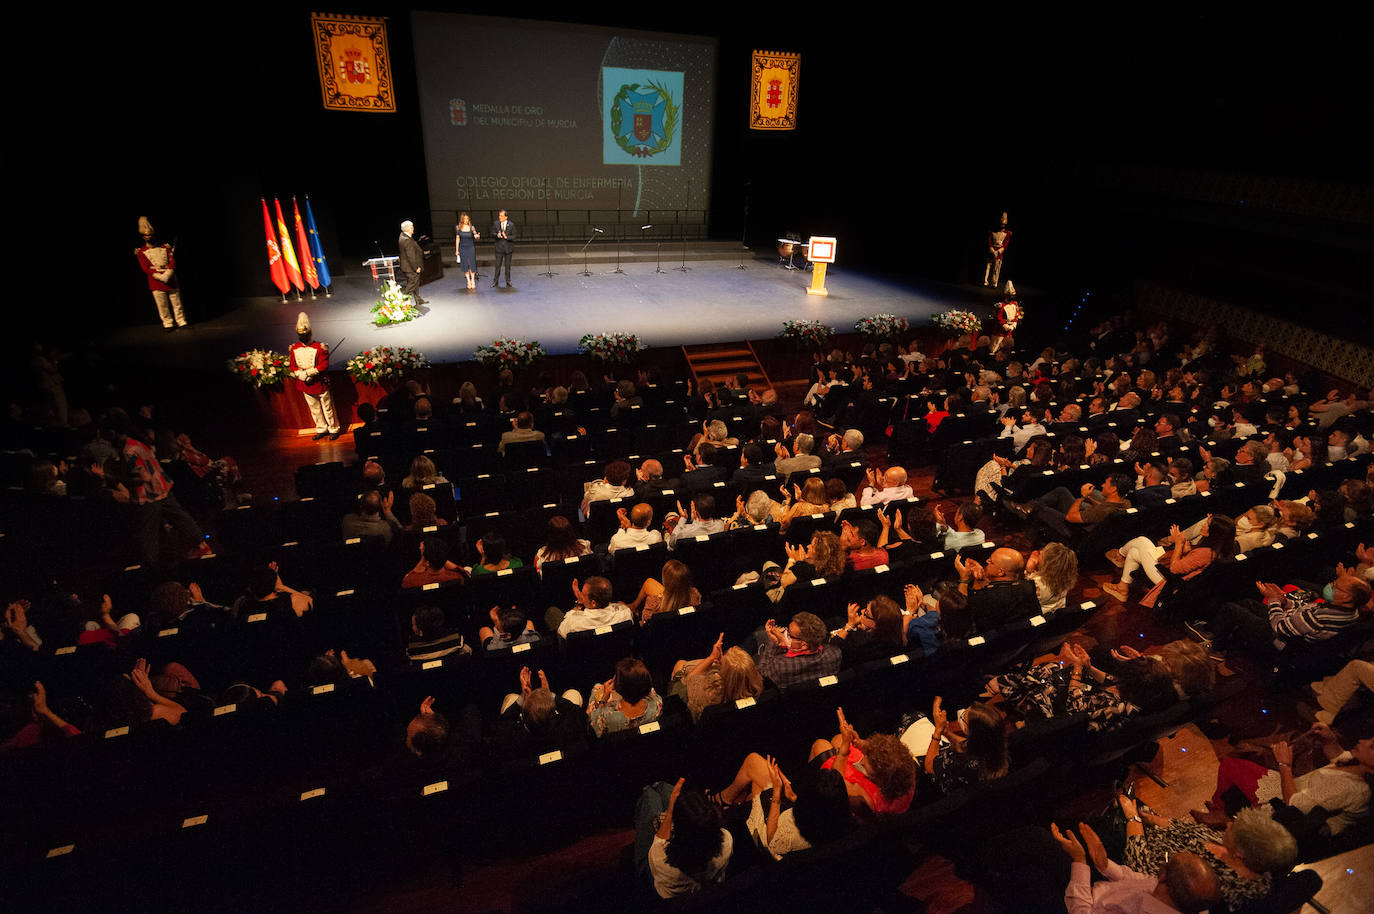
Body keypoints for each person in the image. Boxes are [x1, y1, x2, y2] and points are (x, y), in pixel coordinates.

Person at [1202, 724, 1374, 838]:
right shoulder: (1357, 765)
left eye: (1372, 746)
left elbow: (1293, 806)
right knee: (1232, 764)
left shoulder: (1351, 788)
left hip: (1285, 816)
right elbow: (1338, 756)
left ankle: (1221, 814)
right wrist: (1330, 739)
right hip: (1293, 790)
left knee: (1230, 766)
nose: (1362, 741)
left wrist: (1285, 764)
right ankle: (1222, 811)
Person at [1122, 800, 1296, 910]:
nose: (1228, 824)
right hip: (1148, 831)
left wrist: (1133, 818)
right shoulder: (1246, 858)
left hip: (1133, 850)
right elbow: (1188, 830)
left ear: (1241, 853)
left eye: (1233, 827)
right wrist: (1149, 818)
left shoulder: (1208, 882)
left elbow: (1140, 865)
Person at [1052, 820, 1220, 914]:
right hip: (1099, 889)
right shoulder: (1184, 897)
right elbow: (1140, 879)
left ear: (1164, 877)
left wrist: (1079, 860)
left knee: (1037, 841)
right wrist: (1105, 865)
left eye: (1168, 862)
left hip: (1078, 905)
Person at [709, 753, 853, 860]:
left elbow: (773, 841)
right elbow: (820, 808)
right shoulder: (843, 820)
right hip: (795, 821)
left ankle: (725, 800)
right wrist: (794, 798)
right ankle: (735, 800)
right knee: (758, 775)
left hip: (769, 842)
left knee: (753, 765)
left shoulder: (797, 832)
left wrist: (777, 792)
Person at [1102, 516, 1236, 607]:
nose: (1203, 525)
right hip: (1179, 580)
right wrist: (1186, 550)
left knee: (1142, 540)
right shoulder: (1222, 549)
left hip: (1170, 583)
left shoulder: (1205, 553)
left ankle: (1119, 554)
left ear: (1214, 532)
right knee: (1134, 553)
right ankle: (1122, 588)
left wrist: (1178, 543)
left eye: (1207, 524)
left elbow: (1175, 569)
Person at [808, 707, 917, 817]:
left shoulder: (868, 801)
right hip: (871, 782)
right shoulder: (904, 773)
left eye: (866, 763)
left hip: (844, 794)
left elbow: (836, 783)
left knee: (820, 745)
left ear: (880, 778)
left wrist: (845, 747)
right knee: (838, 739)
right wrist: (860, 743)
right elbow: (886, 754)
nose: (862, 762)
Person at [633, 778, 732, 898]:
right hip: (704, 883)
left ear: (678, 828)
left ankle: (649, 788)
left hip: (653, 873)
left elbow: (659, 840)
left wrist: (670, 810)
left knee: (649, 795)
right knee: (663, 787)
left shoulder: (660, 858)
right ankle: (657, 786)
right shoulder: (726, 840)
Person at [666, 633, 763, 721]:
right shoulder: (759, 689)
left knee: (680, 664)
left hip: (683, 707)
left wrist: (711, 658)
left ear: (724, 675)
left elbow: (689, 680)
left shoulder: (707, 694)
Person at [289, 311, 341, 441]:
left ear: (310, 334)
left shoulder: (320, 347)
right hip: (305, 384)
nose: (303, 337)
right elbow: (292, 365)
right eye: (300, 335)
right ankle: (321, 428)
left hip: (319, 382)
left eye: (305, 335)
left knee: (328, 408)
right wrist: (301, 375)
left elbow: (323, 365)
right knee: (315, 409)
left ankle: (333, 429)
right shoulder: (294, 348)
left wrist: (309, 373)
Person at [757, 611, 841, 689]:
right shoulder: (834, 653)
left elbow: (761, 673)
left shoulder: (780, 665)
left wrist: (774, 642)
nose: (784, 635)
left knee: (758, 634)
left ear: (804, 645)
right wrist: (787, 644)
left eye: (789, 634)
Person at [134, 216, 187, 330]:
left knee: (176, 301)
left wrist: (168, 273)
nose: (149, 237)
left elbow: (172, 260)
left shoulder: (165, 247)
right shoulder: (141, 252)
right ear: (143, 237)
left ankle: (181, 321)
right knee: (162, 305)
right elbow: (145, 267)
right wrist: (159, 276)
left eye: (150, 235)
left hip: (170, 277)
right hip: (155, 280)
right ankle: (168, 323)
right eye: (146, 235)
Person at [587, 657, 661, 737]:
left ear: (618, 687)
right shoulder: (657, 704)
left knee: (596, 688)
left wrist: (604, 698)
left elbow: (594, 724)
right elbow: (650, 690)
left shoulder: (606, 717)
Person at [548, 576, 633, 637]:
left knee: (552, 611)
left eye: (583, 595)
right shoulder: (625, 614)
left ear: (593, 603)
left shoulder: (572, 623)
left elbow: (561, 631)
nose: (581, 595)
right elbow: (623, 607)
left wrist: (579, 604)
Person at [627, 560, 701, 624]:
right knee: (649, 582)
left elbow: (645, 625)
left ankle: (633, 607)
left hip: (657, 637)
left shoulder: (653, 603)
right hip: (684, 634)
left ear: (665, 581)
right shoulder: (695, 595)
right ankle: (633, 606)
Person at [398, 220, 426, 304]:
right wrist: (416, 267)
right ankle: (402, 301)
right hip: (410, 266)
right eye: (412, 227)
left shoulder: (404, 235)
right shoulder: (406, 239)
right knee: (412, 283)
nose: (413, 228)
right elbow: (410, 256)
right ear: (408, 229)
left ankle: (418, 299)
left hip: (408, 265)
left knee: (415, 283)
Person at [454, 211, 480, 290]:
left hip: (470, 247)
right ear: (462, 219)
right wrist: (457, 250)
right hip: (462, 248)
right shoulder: (458, 227)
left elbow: (475, 235)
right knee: (465, 264)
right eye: (465, 219)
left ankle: (473, 280)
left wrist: (477, 236)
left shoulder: (472, 227)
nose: (466, 220)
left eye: (467, 219)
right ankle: (468, 281)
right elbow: (457, 239)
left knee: (471, 263)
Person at [490, 208, 516, 288]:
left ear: (506, 217)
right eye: (499, 215)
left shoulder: (511, 225)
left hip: (508, 248)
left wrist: (506, 237)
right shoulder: (496, 224)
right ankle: (495, 281)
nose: (499, 217)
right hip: (499, 248)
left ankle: (508, 281)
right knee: (497, 265)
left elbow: (514, 236)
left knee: (507, 266)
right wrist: (497, 235)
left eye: (501, 216)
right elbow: (492, 233)